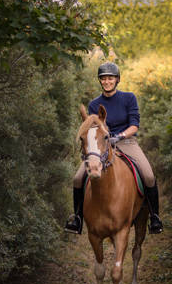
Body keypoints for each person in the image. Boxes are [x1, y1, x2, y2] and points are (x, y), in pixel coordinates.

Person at [65, 62, 163, 235]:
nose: (107, 81)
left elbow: (134, 125)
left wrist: (120, 136)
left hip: (127, 142)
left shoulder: (129, 98)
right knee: (77, 178)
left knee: (148, 175)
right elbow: (91, 129)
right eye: (103, 79)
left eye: (110, 78)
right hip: (102, 145)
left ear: (117, 79)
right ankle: (77, 219)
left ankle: (154, 217)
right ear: (100, 81)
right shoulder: (94, 104)